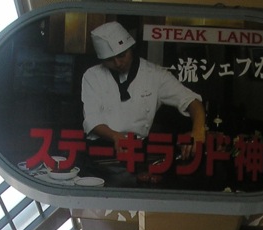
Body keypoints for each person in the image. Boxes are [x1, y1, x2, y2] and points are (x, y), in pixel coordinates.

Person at [82, 21, 206, 169]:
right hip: (101, 150)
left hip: (138, 151)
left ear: (131, 48)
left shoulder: (155, 74)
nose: (118, 63)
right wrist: (116, 136)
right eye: (109, 60)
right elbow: (92, 118)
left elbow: (192, 101)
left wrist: (198, 131)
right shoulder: (92, 76)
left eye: (122, 55)